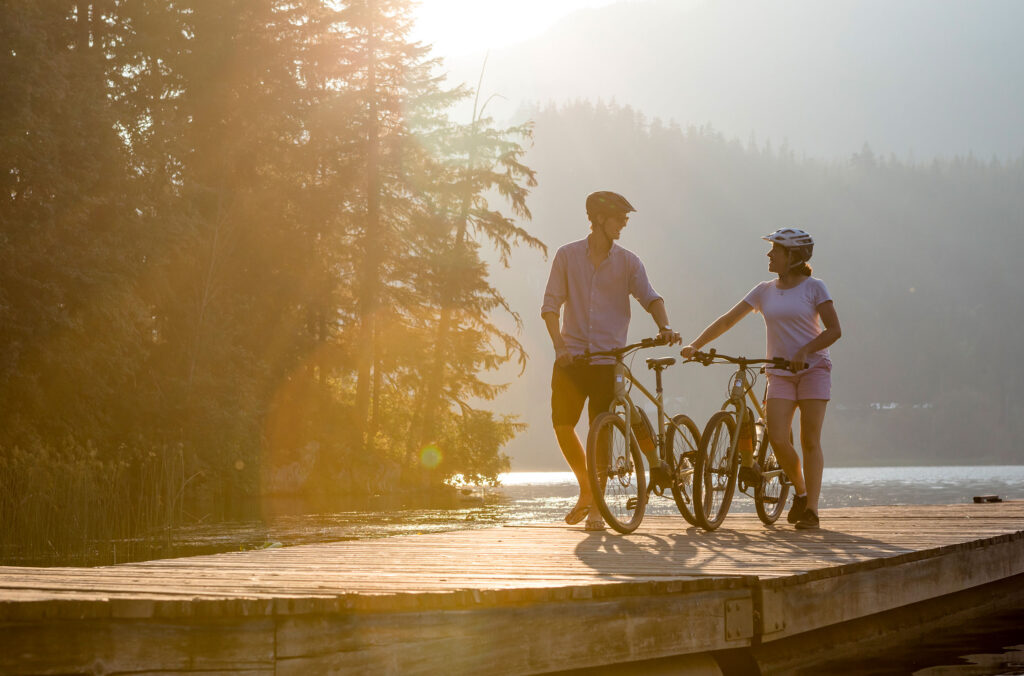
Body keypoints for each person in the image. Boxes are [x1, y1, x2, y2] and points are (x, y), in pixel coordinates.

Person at [680, 229, 842, 530]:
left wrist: (806, 350)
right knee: (778, 436)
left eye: (775, 251)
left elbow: (834, 330)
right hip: (779, 371)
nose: (769, 255)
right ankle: (800, 491)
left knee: (809, 440)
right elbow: (728, 319)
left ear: (793, 257)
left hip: (813, 369)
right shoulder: (764, 290)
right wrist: (696, 345)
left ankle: (812, 510)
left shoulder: (815, 287)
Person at [541, 191, 681, 531]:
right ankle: (587, 489)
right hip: (572, 357)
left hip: (607, 359)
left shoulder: (629, 262)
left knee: (600, 431)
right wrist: (559, 346)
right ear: (601, 219)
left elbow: (651, 297)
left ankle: (596, 508)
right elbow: (550, 307)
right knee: (562, 425)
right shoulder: (567, 256)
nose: (625, 223)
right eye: (620, 217)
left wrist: (664, 326)